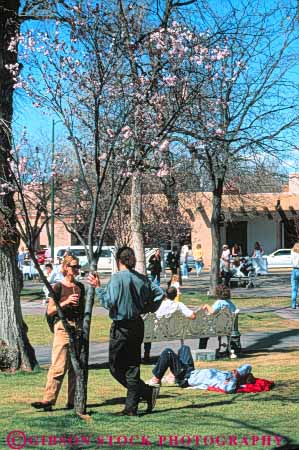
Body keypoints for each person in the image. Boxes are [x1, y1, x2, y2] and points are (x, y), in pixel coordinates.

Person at [87, 246, 165, 416]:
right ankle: (137, 401)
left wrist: (98, 287)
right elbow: (160, 294)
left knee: (115, 366)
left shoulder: (117, 279)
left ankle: (142, 395)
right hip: (137, 325)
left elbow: (108, 303)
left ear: (118, 260)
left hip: (121, 326)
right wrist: (146, 308)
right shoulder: (142, 279)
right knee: (132, 366)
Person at [31, 256, 85, 411]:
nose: (76, 269)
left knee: (76, 367)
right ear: (66, 267)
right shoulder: (58, 287)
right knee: (59, 365)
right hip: (62, 327)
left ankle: (73, 402)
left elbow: (83, 311)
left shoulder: (80, 286)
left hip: (77, 327)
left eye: (78, 266)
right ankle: (48, 400)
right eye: (74, 266)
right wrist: (66, 302)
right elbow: (50, 310)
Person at [147, 344, 253, 393]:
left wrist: (234, 379)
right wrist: (237, 374)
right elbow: (248, 366)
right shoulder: (230, 375)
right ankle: (174, 374)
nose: (236, 371)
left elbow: (229, 389)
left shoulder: (226, 383)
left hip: (186, 378)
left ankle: (156, 379)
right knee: (185, 348)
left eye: (239, 375)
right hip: (191, 371)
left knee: (168, 352)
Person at [143, 287, 196, 364]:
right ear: (175, 295)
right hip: (175, 331)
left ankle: (146, 356)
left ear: (166, 294)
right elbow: (192, 316)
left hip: (158, 332)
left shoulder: (159, 304)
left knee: (148, 332)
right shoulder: (179, 305)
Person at [198, 285, 236, 350]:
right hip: (227, 328)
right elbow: (235, 311)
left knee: (204, 333)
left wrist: (207, 306)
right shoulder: (231, 304)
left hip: (215, 328)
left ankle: (201, 349)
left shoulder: (219, 303)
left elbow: (212, 312)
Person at [290, 242, 299, 309]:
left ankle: (293, 304)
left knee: (294, 289)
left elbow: (291, 260)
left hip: (294, 270)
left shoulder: (292, 252)